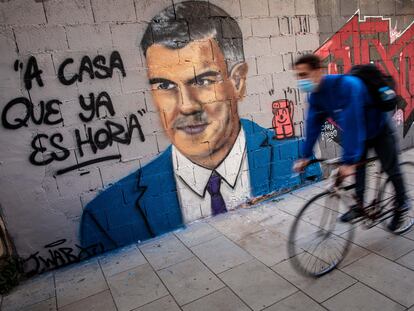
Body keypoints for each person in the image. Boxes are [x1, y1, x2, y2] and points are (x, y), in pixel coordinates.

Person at [80, 1, 321, 251]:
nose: (186, 106)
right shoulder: (105, 218)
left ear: (237, 82)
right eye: (164, 86)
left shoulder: (296, 156)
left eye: (203, 80)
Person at [293, 54, 413, 234]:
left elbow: (353, 123)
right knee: (359, 171)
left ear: (318, 71)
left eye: (304, 75)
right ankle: (359, 206)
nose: (301, 81)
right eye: (299, 76)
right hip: (360, 135)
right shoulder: (316, 97)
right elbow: (313, 126)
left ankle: (402, 203)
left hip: (379, 130)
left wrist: (349, 161)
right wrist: (304, 156)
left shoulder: (347, 86)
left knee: (390, 167)